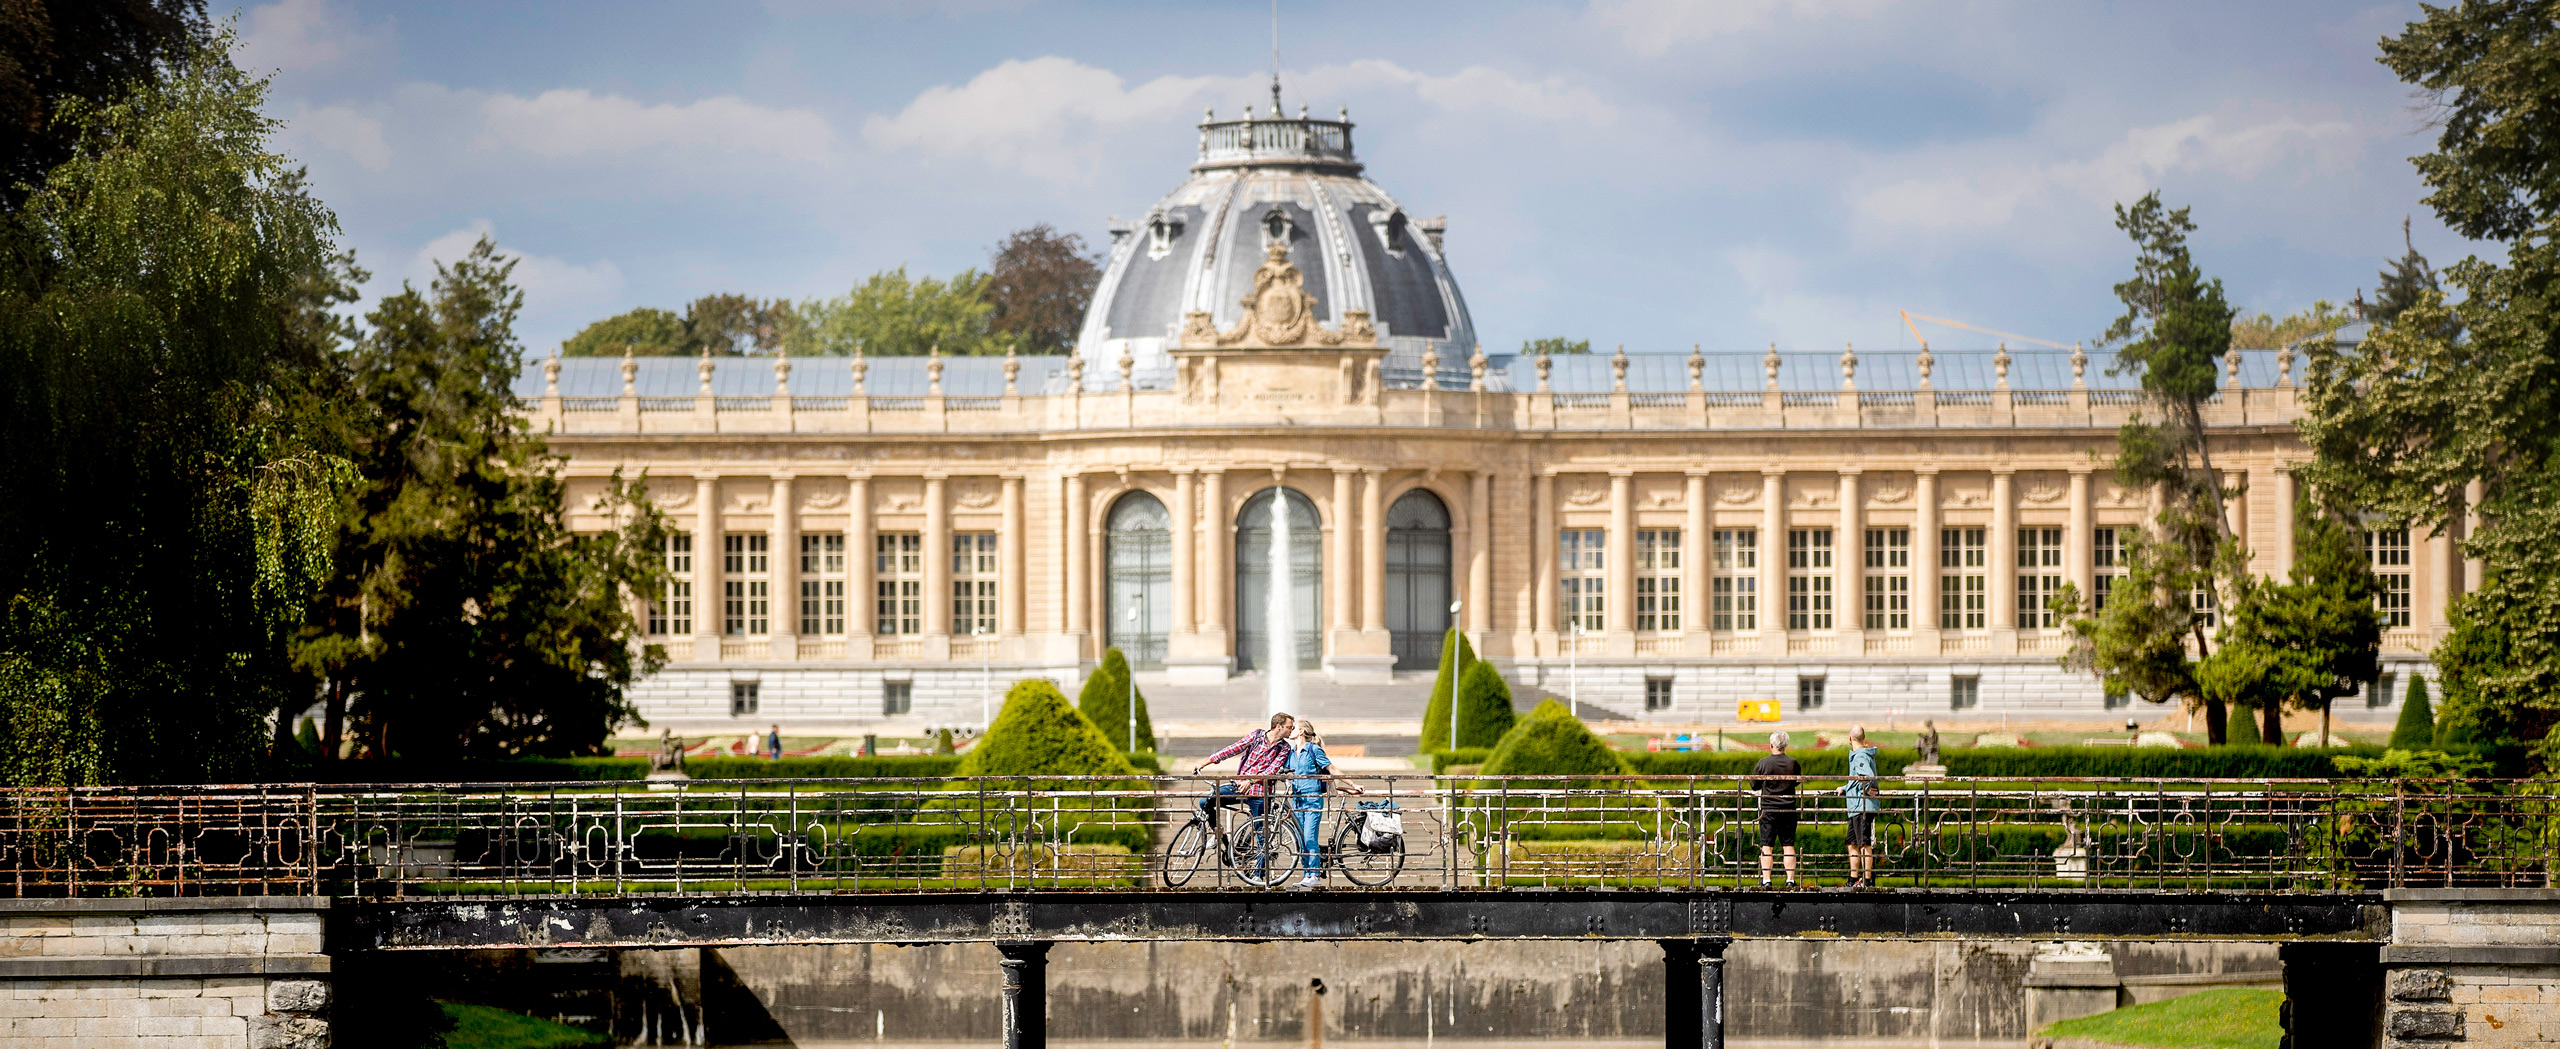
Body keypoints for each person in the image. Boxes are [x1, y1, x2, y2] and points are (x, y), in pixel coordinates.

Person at [1195, 712, 1296, 830]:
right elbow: (1232, 749)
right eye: (1289, 727)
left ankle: (1253, 847)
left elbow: (1271, 770)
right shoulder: (1257, 736)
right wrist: (1203, 763)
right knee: (1205, 802)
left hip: (1260, 793)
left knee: (1261, 833)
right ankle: (1219, 832)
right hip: (1239, 786)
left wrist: (1250, 781)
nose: (1291, 730)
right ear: (1279, 726)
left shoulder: (1285, 748)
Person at [1750, 730, 1802, 887]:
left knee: (1767, 845)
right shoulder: (1792, 763)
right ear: (1786, 745)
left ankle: (1766, 880)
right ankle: (1790, 880)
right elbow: (1796, 781)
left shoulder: (1763, 763)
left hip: (1768, 809)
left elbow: (1754, 785)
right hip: (1788, 808)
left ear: (1771, 745)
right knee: (1788, 845)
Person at [1840, 725, 1881, 888]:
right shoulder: (1861, 755)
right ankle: (1854, 879)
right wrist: (1844, 789)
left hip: (1861, 806)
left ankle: (1867, 881)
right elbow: (1857, 779)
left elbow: (1867, 777)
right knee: (1852, 842)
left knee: (1864, 844)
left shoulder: (1860, 756)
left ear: (1850, 738)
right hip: (1857, 806)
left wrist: (1867, 789)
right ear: (1864, 738)